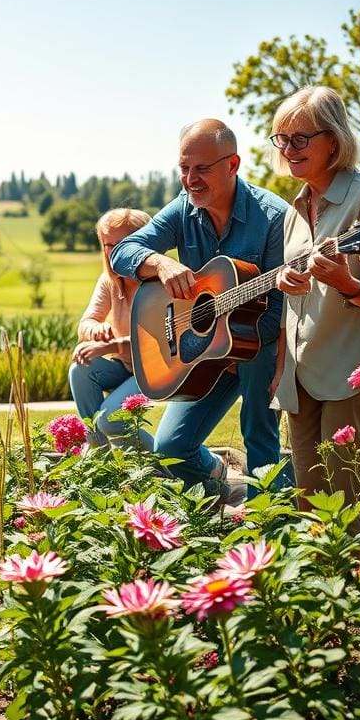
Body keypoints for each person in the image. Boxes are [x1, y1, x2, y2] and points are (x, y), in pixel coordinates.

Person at [110, 120, 287, 494]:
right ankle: (220, 491)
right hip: (204, 353)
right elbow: (123, 253)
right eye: (184, 167)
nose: (191, 179)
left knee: (260, 440)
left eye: (202, 168)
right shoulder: (182, 209)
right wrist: (160, 263)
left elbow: (282, 311)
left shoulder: (274, 218)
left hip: (259, 347)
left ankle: (271, 531)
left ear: (233, 165)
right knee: (170, 449)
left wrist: (229, 339)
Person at [269, 86, 360, 508]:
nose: (289, 148)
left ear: (334, 141)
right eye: (282, 138)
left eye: (301, 138)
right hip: (301, 374)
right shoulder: (294, 208)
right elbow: (294, 302)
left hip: (350, 372)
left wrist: (349, 285)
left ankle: (358, 577)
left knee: (346, 502)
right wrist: (280, 367)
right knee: (308, 502)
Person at [69, 208, 153, 449]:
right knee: (80, 369)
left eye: (124, 243)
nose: (115, 251)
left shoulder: (158, 282)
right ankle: (100, 455)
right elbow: (86, 322)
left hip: (157, 372)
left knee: (111, 420)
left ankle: (166, 470)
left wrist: (113, 345)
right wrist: (96, 330)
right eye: (107, 244)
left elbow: (155, 340)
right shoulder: (109, 281)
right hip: (126, 366)